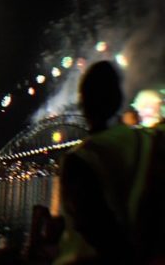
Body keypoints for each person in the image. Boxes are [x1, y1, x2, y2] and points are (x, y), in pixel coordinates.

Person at [55, 61, 153, 264]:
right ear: (118, 101)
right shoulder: (145, 141)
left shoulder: (80, 158)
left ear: (83, 104)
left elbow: (96, 228)